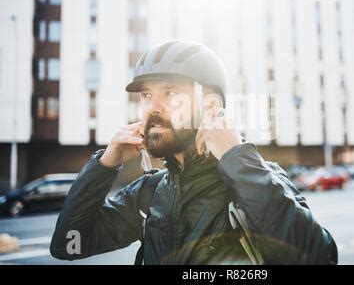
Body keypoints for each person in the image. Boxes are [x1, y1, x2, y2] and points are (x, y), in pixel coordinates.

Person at [50, 40, 338, 265]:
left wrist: (235, 157)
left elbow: (318, 256)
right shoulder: (150, 193)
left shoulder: (257, 178)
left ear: (210, 108)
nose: (152, 107)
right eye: (147, 95)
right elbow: (69, 245)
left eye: (171, 93)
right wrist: (104, 165)